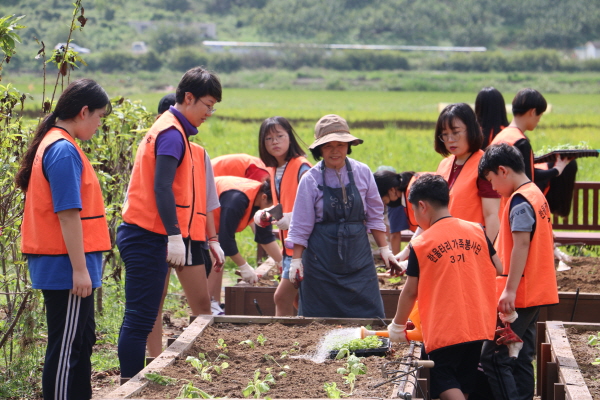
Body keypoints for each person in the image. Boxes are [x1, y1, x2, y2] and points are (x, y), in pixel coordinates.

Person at [117, 67, 224, 379]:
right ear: (188, 98)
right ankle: (130, 385)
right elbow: (161, 187)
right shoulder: (171, 134)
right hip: (147, 235)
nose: (209, 112)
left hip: (156, 233)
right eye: (207, 104)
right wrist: (174, 236)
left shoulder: (177, 132)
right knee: (140, 318)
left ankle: (133, 381)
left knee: (143, 314)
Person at [15, 79, 112, 400]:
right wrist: (80, 269)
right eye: (99, 116)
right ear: (83, 112)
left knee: (82, 342)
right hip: (66, 267)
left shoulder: (57, 144)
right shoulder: (62, 150)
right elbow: (68, 214)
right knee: (66, 348)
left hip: (68, 264)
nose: (99, 124)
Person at [386, 174, 500, 400]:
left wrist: (397, 326)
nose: (416, 218)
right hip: (478, 321)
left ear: (422, 206)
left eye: (414, 212)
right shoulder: (476, 230)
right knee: (464, 377)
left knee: (441, 376)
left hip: (446, 325)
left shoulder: (422, 243)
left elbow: (410, 291)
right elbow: (498, 266)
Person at [286, 114, 400, 318]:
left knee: (369, 317)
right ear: (320, 149)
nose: (335, 150)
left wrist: (385, 249)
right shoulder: (310, 179)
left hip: (358, 259)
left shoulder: (362, 172)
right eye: (328, 145)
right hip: (320, 262)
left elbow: (374, 215)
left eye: (341, 144)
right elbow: (301, 225)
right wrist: (296, 262)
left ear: (349, 145)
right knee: (317, 322)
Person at [146, 93, 224, 357]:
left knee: (201, 302)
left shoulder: (199, 155)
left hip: (189, 235)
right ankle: (154, 360)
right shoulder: (158, 144)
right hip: (157, 233)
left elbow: (208, 200)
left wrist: (213, 240)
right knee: (154, 302)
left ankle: (207, 357)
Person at [478, 143, 558, 400]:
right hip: (535, 290)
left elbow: (521, 243)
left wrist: (509, 290)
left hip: (519, 295)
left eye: (492, 181)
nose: (494, 189)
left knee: (493, 358)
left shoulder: (520, 201)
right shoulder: (534, 193)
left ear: (502, 170)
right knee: (522, 355)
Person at [255, 116, 311, 316]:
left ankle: (286, 341)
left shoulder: (302, 167)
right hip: (289, 244)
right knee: (295, 299)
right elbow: (284, 204)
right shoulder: (274, 170)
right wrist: (267, 214)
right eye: (268, 139)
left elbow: (314, 206)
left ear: (290, 138)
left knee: (282, 297)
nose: (275, 142)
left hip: (304, 245)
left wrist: (291, 218)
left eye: (279, 136)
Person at [206, 176, 283, 309]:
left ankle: (215, 304)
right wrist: (244, 267)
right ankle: (208, 304)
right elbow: (226, 240)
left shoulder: (262, 202)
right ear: (264, 197)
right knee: (217, 253)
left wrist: (282, 263)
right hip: (200, 213)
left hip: (216, 222)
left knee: (219, 251)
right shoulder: (237, 201)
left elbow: (265, 237)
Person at [434, 103, 501, 242]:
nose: (450, 140)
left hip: (472, 247)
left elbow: (492, 216)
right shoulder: (444, 164)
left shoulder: (485, 164)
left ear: (471, 130)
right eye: (444, 135)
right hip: (445, 245)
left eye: (456, 132)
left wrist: (488, 254)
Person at [490, 88, 570, 193]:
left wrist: (556, 170)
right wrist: (557, 170)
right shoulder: (520, 142)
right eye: (540, 115)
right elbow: (527, 179)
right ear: (533, 112)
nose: (539, 120)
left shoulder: (500, 136)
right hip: (514, 204)